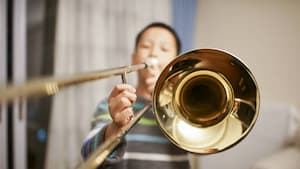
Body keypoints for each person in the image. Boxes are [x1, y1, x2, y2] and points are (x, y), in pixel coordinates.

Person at [81, 22, 190, 169]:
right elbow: (89, 154)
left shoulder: (182, 106)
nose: (153, 53)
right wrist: (115, 127)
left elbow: (203, 143)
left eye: (164, 49)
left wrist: (166, 98)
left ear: (176, 61)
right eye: (146, 46)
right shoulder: (112, 105)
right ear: (134, 59)